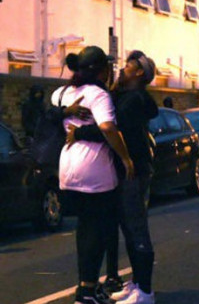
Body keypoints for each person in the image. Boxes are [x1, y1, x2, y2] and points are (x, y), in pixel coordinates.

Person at [69, 51, 159, 304]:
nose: (122, 68)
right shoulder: (125, 96)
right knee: (129, 228)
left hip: (134, 170)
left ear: (140, 73)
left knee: (136, 228)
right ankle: (138, 284)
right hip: (123, 170)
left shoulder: (134, 100)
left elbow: (112, 130)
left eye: (129, 65)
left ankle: (145, 292)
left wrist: (79, 133)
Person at [54, 46, 134, 304]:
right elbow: (108, 128)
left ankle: (86, 286)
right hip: (95, 171)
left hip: (67, 168)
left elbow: (47, 118)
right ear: (102, 70)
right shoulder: (98, 94)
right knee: (97, 232)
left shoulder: (61, 93)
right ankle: (87, 292)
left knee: (84, 230)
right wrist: (125, 157)